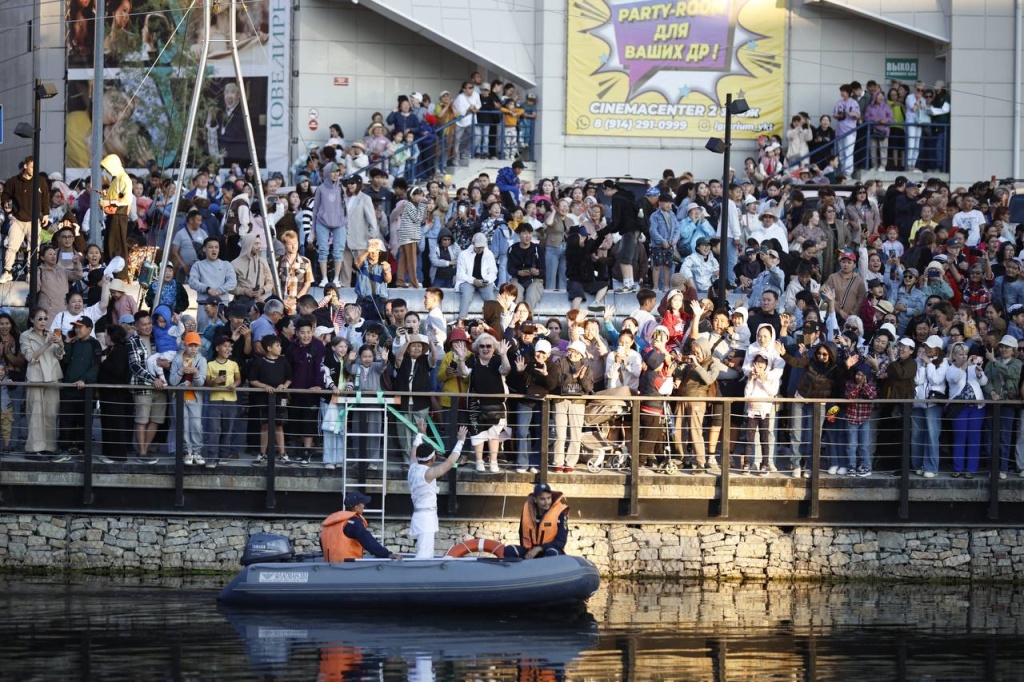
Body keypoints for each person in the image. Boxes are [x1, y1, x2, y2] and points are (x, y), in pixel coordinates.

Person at [407, 419, 468, 559]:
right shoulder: (428, 474)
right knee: (424, 555)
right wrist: (460, 441)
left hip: (422, 514)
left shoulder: (413, 466)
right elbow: (450, 462)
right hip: (425, 517)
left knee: (425, 552)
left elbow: (413, 452)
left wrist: (420, 434)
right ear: (432, 459)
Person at [21, 307, 65, 460]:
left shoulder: (51, 333)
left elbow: (59, 356)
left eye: (45, 318)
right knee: (35, 413)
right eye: (39, 318)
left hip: (52, 377)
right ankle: (34, 449)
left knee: (51, 413)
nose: (43, 322)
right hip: (35, 378)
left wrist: (60, 344)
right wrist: (46, 345)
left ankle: (50, 447)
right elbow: (29, 357)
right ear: (32, 320)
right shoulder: (25, 336)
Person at [58, 316, 102, 458]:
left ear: (89, 329)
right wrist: (67, 343)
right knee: (66, 421)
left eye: (80, 327)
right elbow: (64, 361)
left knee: (84, 421)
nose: (77, 329)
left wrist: (85, 379)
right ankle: (65, 448)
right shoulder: (73, 343)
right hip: (68, 389)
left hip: (86, 391)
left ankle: (83, 449)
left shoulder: (95, 344)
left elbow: (96, 366)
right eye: (76, 326)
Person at [249, 334, 292, 467]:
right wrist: (265, 386)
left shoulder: (283, 361)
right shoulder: (259, 361)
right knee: (265, 425)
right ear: (269, 348)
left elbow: (289, 377)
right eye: (277, 345)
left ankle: (283, 454)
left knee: (280, 425)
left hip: (281, 397)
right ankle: (262, 454)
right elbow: (252, 380)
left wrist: (284, 386)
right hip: (264, 397)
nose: (280, 348)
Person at [322, 491, 402, 561]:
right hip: (348, 567)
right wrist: (387, 554)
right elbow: (368, 542)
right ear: (356, 507)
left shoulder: (331, 522)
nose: (364, 506)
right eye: (363, 504)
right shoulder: (354, 522)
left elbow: (322, 542)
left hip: (330, 566)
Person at [503, 483, 570, 559]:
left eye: (549, 498)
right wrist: (530, 552)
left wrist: (539, 548)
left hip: (550, 550)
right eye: (542, 499)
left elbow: (561, 542)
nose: (546, 502)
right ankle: (521, 569)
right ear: (535, 499)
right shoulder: (526, 510)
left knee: (552, 553)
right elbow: (522, 534)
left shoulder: (560, 513)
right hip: (531, 550)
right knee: (509, 550)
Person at [99, 154, 132, 262]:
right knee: (109, 244)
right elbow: (117, 195)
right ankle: (111, 271)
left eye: (108, 168)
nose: (107, 171)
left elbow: (126, 199)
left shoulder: (124, 178)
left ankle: (119, 274)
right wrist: (106, 196)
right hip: (112, 215)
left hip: (119, 215)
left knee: (116, 246)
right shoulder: (115, 179)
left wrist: (108, 201)